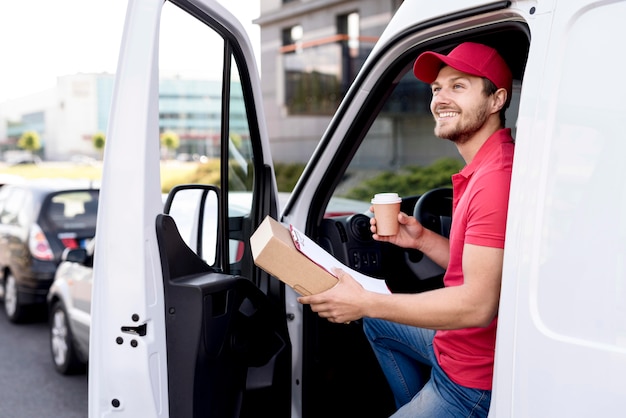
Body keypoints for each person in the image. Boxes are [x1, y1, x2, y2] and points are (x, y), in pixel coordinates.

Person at [298, 42, 515, 417]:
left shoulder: (495, 179)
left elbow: (478, 306)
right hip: (457, 347)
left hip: (471, 379)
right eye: (436, 89)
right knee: (377, 324)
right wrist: (421, 239)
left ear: (496, 100)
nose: (440, 99)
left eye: (458, 86)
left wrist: (363, 301)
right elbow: (486, 269)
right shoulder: (487, 164)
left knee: (371, 311)